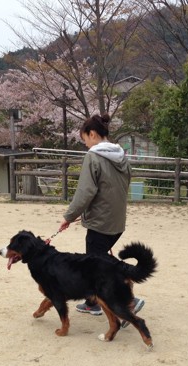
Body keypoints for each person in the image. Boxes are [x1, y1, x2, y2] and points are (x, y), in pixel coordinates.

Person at [59, 113, 144, 327]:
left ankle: (126, 305)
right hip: (116, 222)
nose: (86, 144)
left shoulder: (93, 157)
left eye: (85, 139)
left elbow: (85, 192)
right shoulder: (121, 156)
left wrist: (69, 216)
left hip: (100, 224)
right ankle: (92, 302)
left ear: (93, 134)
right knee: (100, 263)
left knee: (98, 267)